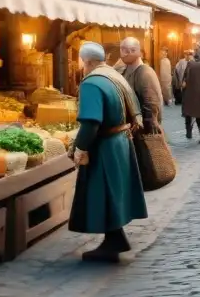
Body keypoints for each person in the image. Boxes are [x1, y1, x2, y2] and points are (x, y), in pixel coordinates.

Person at [69, 42, 147, 263]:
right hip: (120, 142)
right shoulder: (114, 76)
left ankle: (112, 243)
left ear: (87, 61)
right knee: (113, 191)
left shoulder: (92, 83)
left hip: (105, 145)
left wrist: (80, 147)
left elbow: (91, 122)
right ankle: (115, 238)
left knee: (104, 191)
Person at [114, 37, 162, 132]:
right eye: (122, 50)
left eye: (128, 50)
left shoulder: (145, 72)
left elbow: (151, 106)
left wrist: (148, 131)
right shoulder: (126, 69)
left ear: (137, 51)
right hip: (131, 128)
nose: (124, 54)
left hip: (142, 130)